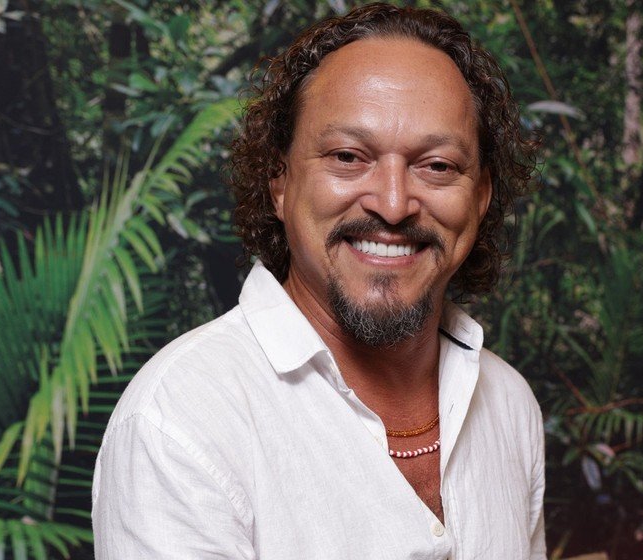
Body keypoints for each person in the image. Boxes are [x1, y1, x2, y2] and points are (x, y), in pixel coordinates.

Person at [92, 3, 545, 559]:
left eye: (437, 166)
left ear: (481, 196)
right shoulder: (181, 421)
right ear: (279, 181)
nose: (394, 204)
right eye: (348, 157)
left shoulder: (509, 404)